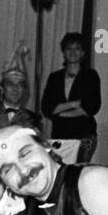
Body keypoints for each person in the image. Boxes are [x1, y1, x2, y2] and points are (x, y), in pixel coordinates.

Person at [40, 32, 101, 163]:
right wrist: (74, 104)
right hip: (60, 135)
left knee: (77, 173)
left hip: (84, 135)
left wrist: (59, 112)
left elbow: (91, 108)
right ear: (63, 52)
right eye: (69, 48)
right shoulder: (54, 77)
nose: (73, 52)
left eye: (77, 48)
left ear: (83, 53)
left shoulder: (90, 76)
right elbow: (46, 108)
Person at [0, 46, 40, 129]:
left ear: (24, 89)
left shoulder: (33, 118)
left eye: (20, 84)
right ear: (3, 88)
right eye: (10, 84)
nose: (15, 88)